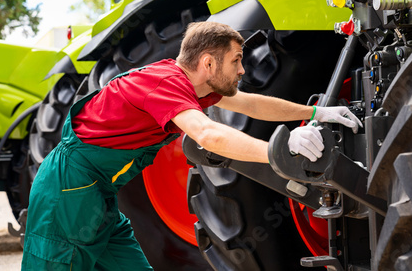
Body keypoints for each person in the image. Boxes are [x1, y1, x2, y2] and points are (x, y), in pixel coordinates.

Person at [21, 21, 361, 270]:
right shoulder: (165, 84)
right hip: (67, 193)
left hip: (99, 196)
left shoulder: (194, 85)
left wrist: (316, 110)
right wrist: (278, 153)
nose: (243, 69)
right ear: (208, 64)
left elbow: (253, 105)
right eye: (237, 60)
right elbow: (209, 135)